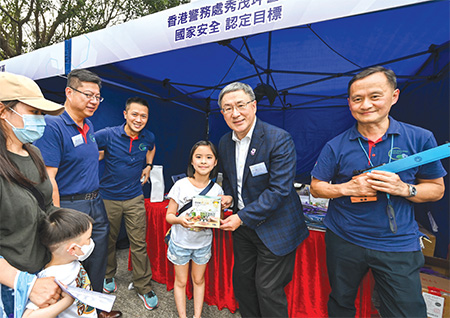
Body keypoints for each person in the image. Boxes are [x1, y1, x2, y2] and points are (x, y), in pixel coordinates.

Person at [310, 66, 446, 318]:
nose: (365, 105)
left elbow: (436, 189)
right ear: (349, 103)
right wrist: (347, 188)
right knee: (341, 300)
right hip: (344, 238)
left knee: (407, 309)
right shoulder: (336, 145)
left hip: (397, 242)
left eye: (375, 96)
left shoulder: (419, 139)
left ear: (394, 96)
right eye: (357, 99)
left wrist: (405, 188)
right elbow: (317, 187)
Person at [33, 69, 121, 318]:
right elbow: (49, 178)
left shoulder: (89, 125)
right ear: (69, 92)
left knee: (98, 259)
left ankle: (96, 309)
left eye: (98, 96)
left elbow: (88, 158)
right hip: (71, 207)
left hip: (96, 202)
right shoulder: (54, 125)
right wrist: (60, 219)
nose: (94, 100)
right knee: (73, 264)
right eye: (88, 94)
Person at [218, 82, 309, 317]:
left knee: (268, 289)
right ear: (222, 113)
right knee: (243, 283)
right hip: (244, 228)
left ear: (254, 106)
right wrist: (228, 195)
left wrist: (240, 217)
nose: (235, 113)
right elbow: (230, 178)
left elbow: (278, 191)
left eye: (240, 105)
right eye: (228, 108)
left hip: (276, 226)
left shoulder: (278, 139)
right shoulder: (224, 143)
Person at [0, 72, 64, 318]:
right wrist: (26, 284)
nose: (41, 120)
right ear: (4, 111)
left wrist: (72, 236)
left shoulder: (34, 152)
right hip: (11, 286)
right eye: (34, 112)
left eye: (42, 114)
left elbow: (45, 206)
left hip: (43, 272)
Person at [95, 97, 158, 310]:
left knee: (139, 243)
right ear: (125, 114)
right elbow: (88, 146)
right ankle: (108, 275)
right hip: (109, 197)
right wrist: (98, 156)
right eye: (134, 114)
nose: (138, 119)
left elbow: (151, 147)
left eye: (143, 116)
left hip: (134, 197)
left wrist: (148, 165)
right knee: (109, 241)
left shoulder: (148, 136)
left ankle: (143, 286)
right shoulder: (108, 134)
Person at [166, 140, 225, 318]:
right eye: (198, 157)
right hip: (180, 242)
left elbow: (219, 219)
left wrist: (217, 217)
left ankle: (197, 316)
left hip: (203, 243)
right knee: (181, 281)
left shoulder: (217, 190)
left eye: (208, 157)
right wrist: (179, 220)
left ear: (215, 162)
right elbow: (169, 216)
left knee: (198, 280)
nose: (203, 161)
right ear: (192, 161)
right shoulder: (181, 185)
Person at [23, 208, 97, 318]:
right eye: (88, 238)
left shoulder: (71, 260)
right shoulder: (52, 277)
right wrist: (67, 301)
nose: (91, 242)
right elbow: (29, 316)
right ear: (73, 249)